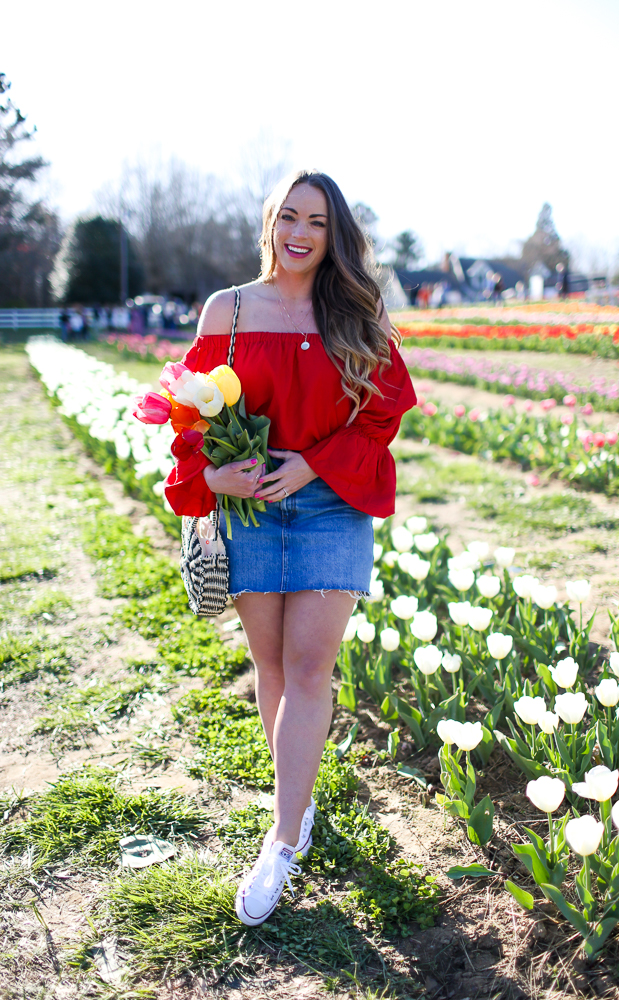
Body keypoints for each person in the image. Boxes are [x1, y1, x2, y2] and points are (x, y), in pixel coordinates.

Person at [164, 169, 416, 927]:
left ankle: (279, 841)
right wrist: (214, 474)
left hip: (328, 504)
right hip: (249, 511)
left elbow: (381, 414)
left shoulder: (355, 312)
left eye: (317, 222)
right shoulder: (230, 309)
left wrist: (313, 461)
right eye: (288, 218)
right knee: (270, 665)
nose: (300, 234)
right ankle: (295, 805)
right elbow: (189, 416)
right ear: (270, 223)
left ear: (334, 234)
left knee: (310, 664)